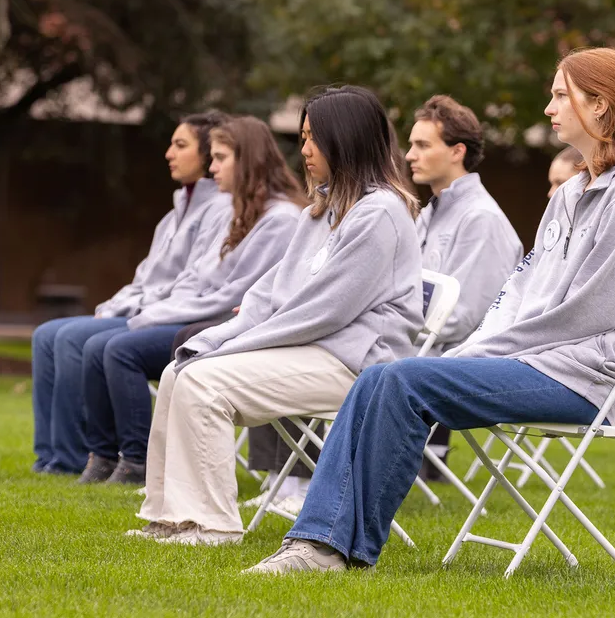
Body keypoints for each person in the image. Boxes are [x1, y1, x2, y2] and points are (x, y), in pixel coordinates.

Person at [245, 46, 615, 574]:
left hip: (582, 377)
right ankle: (319, 541)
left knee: (403, 383)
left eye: (561, 95)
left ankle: (328, 547)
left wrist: (481, 354)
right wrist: (473, 351)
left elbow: (589, 314)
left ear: (601, 105)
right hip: (531, 362)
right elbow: (517, 291)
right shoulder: (566, 195)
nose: (549, 108)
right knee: (381, 377)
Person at [130, 85, 423, 546]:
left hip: (357, 364)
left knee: (205, 382)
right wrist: (217, 338)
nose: (303, 150)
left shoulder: (380, 214)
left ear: (345, 141)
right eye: (303, 136)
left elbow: (323, 312)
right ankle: (170, 516)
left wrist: (233, 347)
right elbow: (268, 294)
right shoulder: (320, 212)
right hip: (312, 350)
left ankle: (212, 524)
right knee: (178, 370)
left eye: (313, 138)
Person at [77, 116, 307, 485]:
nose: (211, 168)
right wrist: (153, 312)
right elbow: (196, 277)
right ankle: (103, 456)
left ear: (246, 160)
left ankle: (137, 462)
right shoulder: (240, 213)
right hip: (197, 318)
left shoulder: (280, 220)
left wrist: (153, 316)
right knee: (101, 343)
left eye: (219, 158)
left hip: (231, 326)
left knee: (121, 350)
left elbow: (234, 296)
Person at [31, 111, 230, 475]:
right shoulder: (172, 216)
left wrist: (136, 309)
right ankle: (50, 457)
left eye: (180, 145)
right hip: (142, 309)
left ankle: (76, 458)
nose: (169, 153)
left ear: (206, 155)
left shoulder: (221, 210)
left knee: (73, 338)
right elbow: (143, 279)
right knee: (46, 334)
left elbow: (192, 283)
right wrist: (111, 307)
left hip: (172, 317)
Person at [405, 95, 522, 480]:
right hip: (416, 347)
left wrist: (389, 330)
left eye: (422, 145)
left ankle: (304, 480)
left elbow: (464, 318)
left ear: (457, 151)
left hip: (454, 362)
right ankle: (297, 478)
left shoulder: (482, 220)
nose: (409, 155)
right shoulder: (431, 212)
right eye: (411, 145)